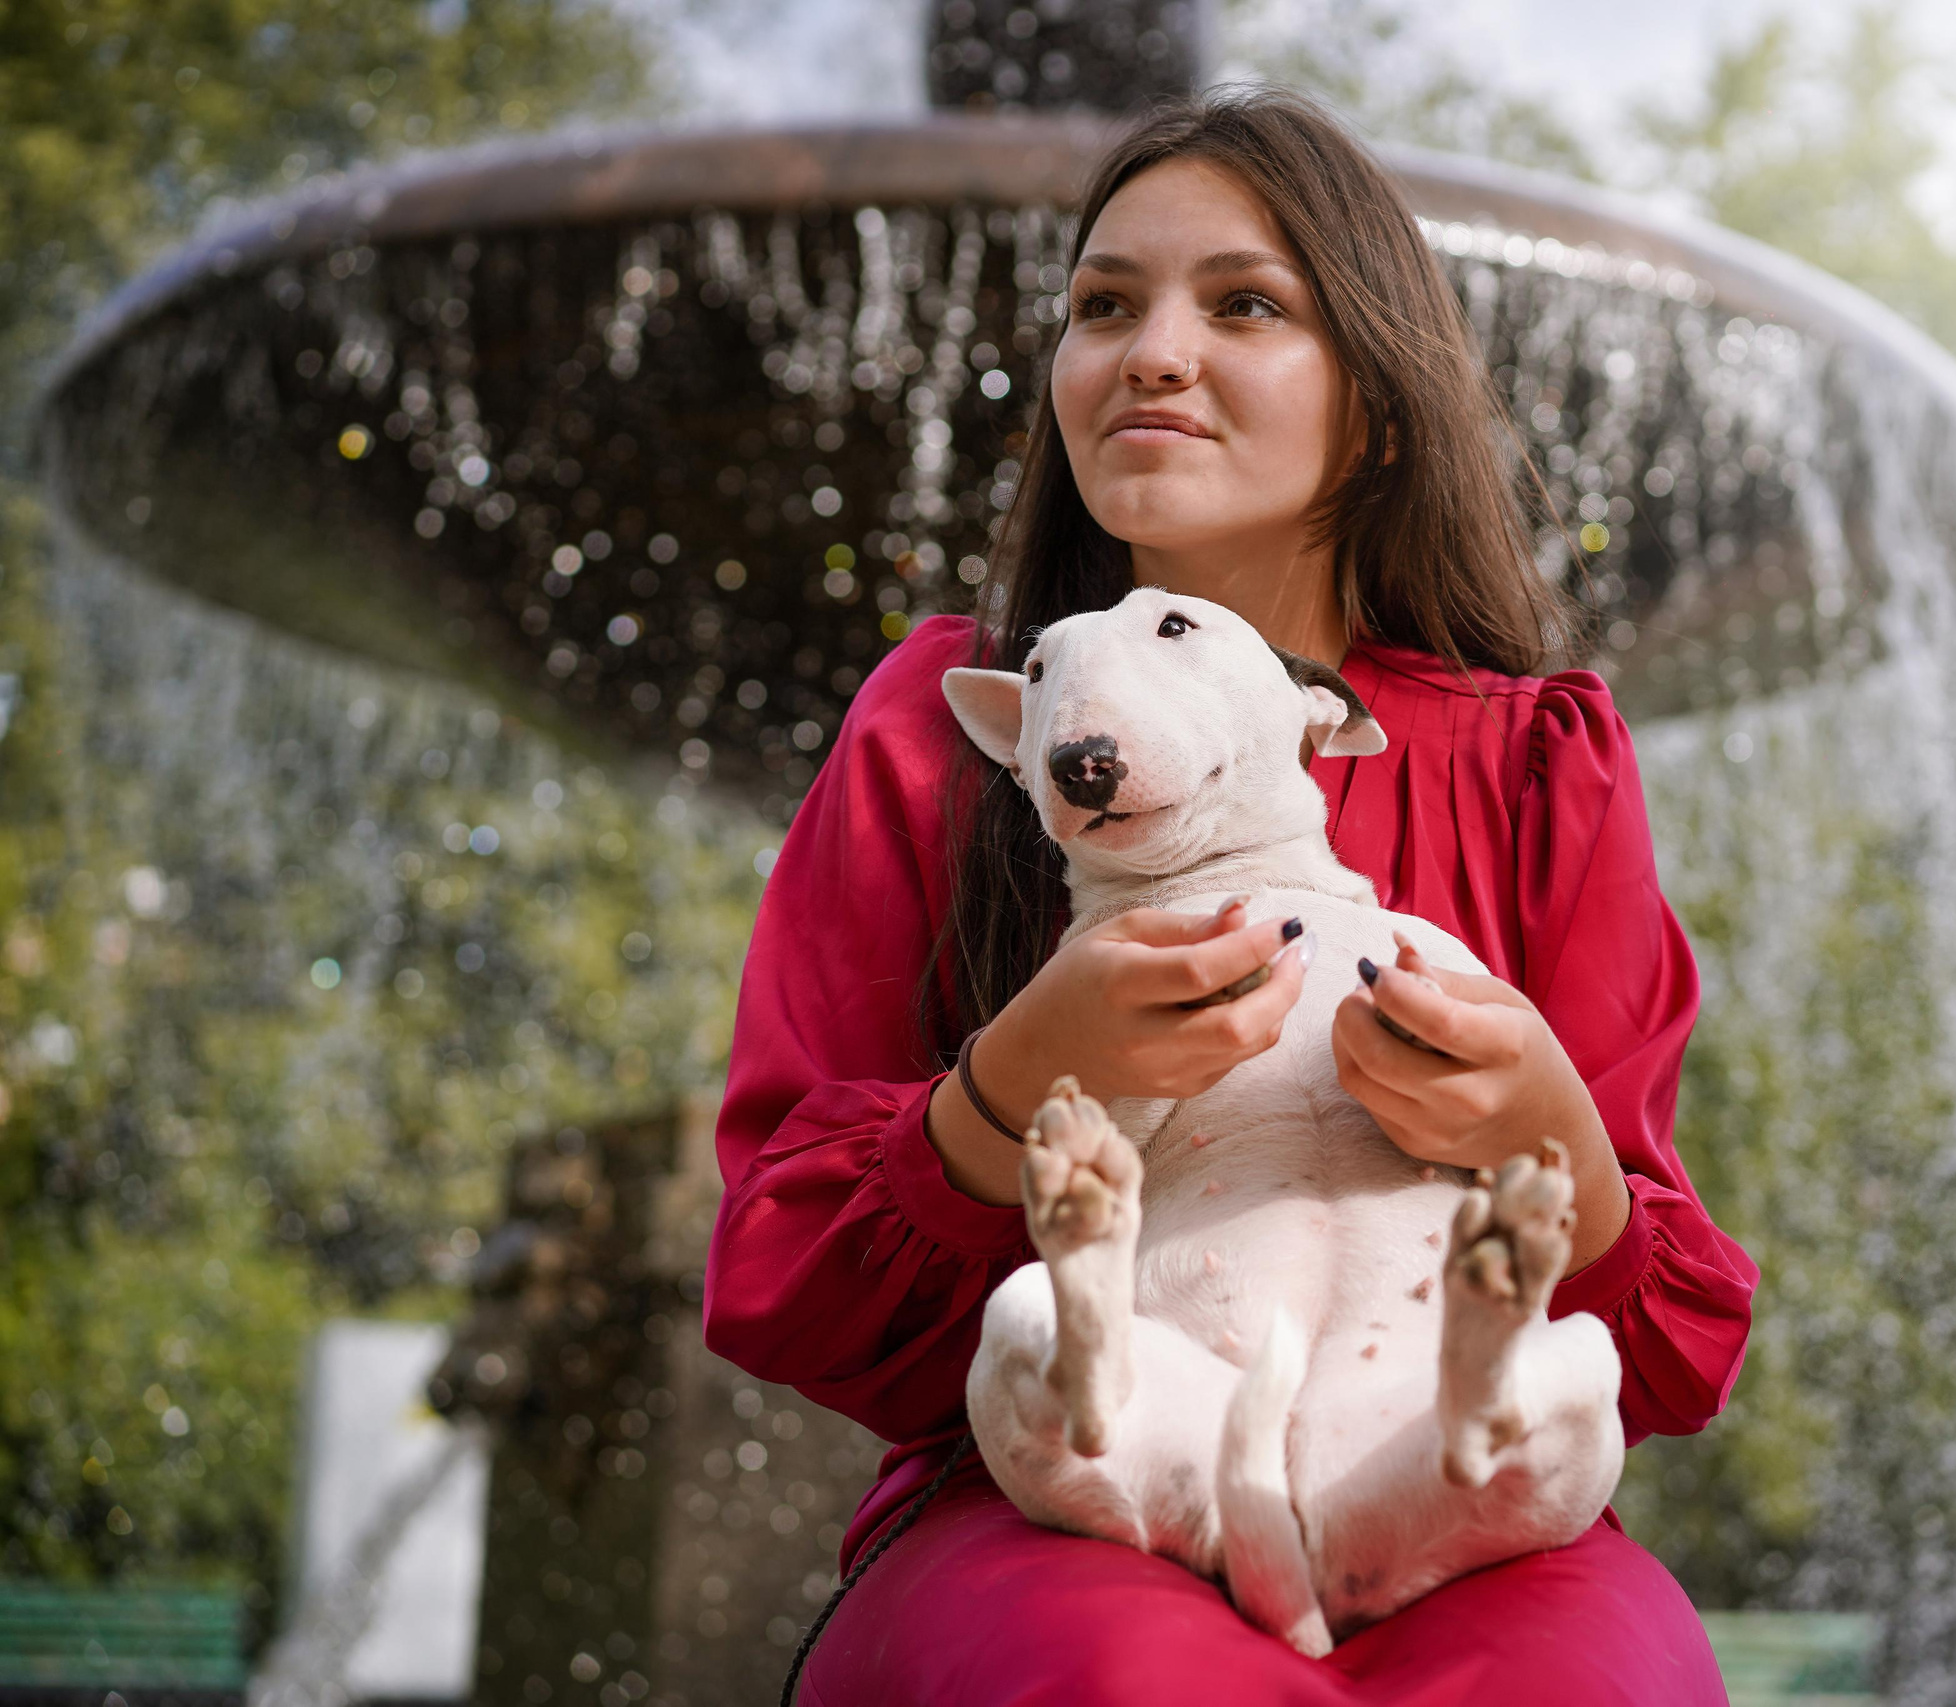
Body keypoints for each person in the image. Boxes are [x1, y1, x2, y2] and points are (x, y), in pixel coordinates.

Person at [705, 87, 1759, 1706]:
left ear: (1380, 404)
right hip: (1070, 1480)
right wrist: (1018, 1083)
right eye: (1103, 306)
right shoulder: (945, 732)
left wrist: (1544, 1134)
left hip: (1448, 1483)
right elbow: (783, 1279)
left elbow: (1666, 1363)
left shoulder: (1540, 762)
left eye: (1244, 305)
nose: (1152, 353)